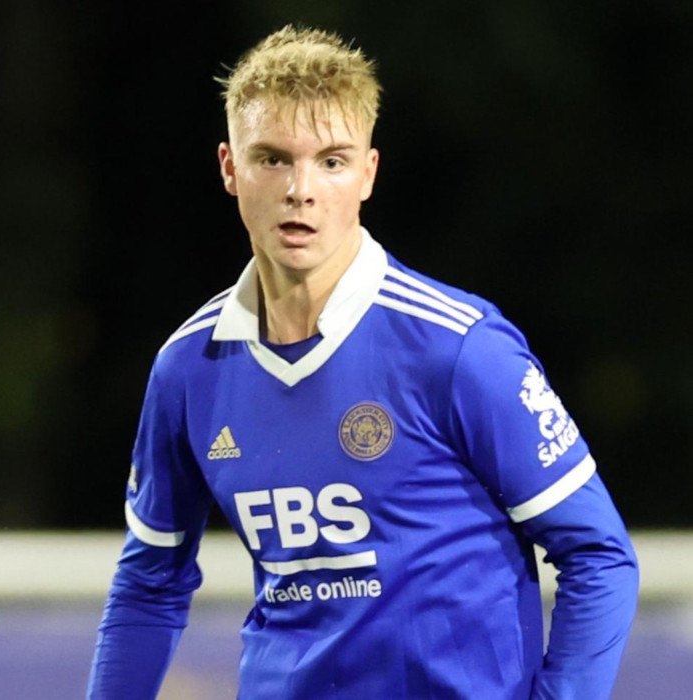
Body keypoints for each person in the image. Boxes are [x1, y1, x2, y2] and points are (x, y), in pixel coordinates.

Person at [87, 25, 639, 699]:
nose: (301, 189)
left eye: (331, 161)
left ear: (368, 174)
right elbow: (150, 584)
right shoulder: (187, 369)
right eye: (273, 159)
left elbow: (599, 556)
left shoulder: (458, 347)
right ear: (230, 168)